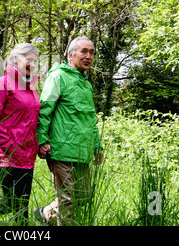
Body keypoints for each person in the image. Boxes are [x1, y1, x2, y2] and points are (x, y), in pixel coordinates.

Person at [34, 36, 104, 226]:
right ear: (71, 54)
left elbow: (90, 118)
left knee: (83, 198)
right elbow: (44, 110)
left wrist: (97, 147)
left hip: (83, 151)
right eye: (84, 51)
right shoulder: (58, 76)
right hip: (61, 150)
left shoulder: (86, 84)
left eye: (91, 52)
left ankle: (44, 214)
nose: (88, 56)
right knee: (67, 201)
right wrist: (42, 140)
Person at [0, 43, 40, 224]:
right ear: (15, 59)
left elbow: (32, 120)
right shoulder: (1, 84)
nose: (32, 64)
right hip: (7, 156)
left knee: (21, 205)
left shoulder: (30, 87)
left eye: (35, 60)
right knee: (13, 204)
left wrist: (38, 145)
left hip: (27, 156)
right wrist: (11, 147)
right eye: (28, 59)